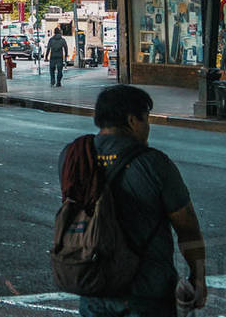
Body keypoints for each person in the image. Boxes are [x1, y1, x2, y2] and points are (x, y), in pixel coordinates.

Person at [59, 85, 206, 317]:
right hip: (147, 293)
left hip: (95, 286)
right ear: (132, 120)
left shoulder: (73, 156)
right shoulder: (154, 164)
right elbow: (187, 228)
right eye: (146, 120)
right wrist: (198, 278)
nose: (148, 128)